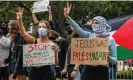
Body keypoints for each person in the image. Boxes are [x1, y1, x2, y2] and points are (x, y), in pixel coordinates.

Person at [63, 4, 117, 80]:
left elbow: (115, 61)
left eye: (97, 23)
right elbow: (77, 28)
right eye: (93, 23)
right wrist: (68, 17)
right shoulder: (89, 36)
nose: (94, 25)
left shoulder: (110, 40)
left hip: (102, 71)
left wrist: (108, 58)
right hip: (87, 70)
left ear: (103, 24)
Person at [16, 7, 59, 80]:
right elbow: (23, 33)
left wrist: (55, 52)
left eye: (44, 27)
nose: (41, 28)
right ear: (38, 29)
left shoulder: (52, 44)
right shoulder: (34, 41)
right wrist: (19, 21)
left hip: (46, 72)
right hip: (34, 72)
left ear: (48, 30)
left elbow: (56, 63)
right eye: (40, 27)